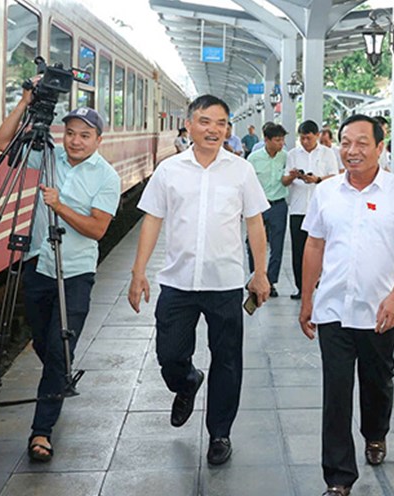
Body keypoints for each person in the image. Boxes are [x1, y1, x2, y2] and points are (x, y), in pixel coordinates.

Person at [128, 95, 271, 466]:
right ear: (189, 125)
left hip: (225, 282)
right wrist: (138, 272)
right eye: (205, 121)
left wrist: (260, 273)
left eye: (221, 123)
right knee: (170, 354)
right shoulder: (169, 170)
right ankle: (187, 380)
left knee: (227, 361)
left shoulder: (241, 170)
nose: (214, 129)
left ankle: (220, 433)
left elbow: (255, 222)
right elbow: (152, 220)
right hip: (178, 281)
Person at [298, 114, 394, 496]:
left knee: (377, 382)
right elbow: (314, 245)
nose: (351, 150)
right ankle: (338, 478)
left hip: (379, 311)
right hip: (333, 309)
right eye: (345, 142)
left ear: (379, 148)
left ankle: (375, 433)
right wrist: (307, 299)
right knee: (336, 394)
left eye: (361, 143)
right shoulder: (326, 192)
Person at [0, 92, 121, 462]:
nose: (76, 141)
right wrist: (23, 103)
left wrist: (59, 206)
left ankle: (41, 432)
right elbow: (1, 143)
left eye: (85, 135)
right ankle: (58, 371)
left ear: (98, 140)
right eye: (71, 133)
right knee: (44, 343)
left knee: (59, 348)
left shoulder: (107, 177)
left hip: (76, 272)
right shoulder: (50, 156)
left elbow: (97, 229)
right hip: (38, 264)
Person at [284, 120, 339, 300]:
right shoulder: (293, 154)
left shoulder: (327, 153)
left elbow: (334, 177)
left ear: (317, 135)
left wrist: (317, 180)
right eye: (302, 138)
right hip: (298, 208)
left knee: (322, 249)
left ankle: (321, 283)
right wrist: (293, 176)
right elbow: (284, 180)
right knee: (298, 250)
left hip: (321, 209)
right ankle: (301, 287)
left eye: (308, 138)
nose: (305, 142)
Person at [246, 123, 289, 297]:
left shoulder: (286, 157)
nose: (281, 143)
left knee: (277, 245)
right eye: (277, 140)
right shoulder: (254, 159)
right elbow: (247, 185)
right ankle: (254, 276)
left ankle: (271, 282)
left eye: (282, 140)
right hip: (258, 206)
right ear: (266, 140)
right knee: (252, 242)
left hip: (278, 205)